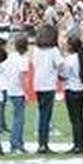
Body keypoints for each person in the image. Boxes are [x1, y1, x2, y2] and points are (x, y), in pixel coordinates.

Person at [31, 25, 63, 154]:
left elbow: (34, 64)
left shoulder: (36, 50)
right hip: (49, 84)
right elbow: (60, 64)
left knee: (42, 113)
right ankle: (43, 144)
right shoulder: (54, 50)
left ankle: (41, 143)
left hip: (38, 84)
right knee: (46, 115)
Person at [62, 35, 83, 154]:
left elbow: (64, 75)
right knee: (80, 118)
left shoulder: (69, 59)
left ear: (70, 46)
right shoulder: (82, 57)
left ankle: (78, 144)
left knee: (75, 119)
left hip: (72, 89)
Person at [5, 34, 30, 154]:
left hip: (10, 89)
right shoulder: (23, 59)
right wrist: (26, 92)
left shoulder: (10, 57)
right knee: (19, 119)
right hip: (18, 91)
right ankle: (16, 144)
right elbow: (22, 77)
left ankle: (17, 143)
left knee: (16, 118)